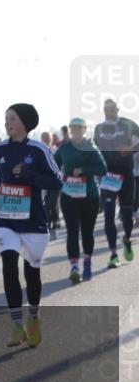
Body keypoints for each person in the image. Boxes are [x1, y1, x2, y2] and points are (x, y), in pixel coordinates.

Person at [0, 104, 63, 349]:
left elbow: (57, 181)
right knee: (9, 266)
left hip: (33, 221)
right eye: (6, 118)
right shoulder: (1, 148)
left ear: (25, 123)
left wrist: (29, 174)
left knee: (32, 273)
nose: (7, 123)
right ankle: (17, 324)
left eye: (12, 119)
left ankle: (33, 316)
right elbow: (2, 176)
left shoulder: (38, 149)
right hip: (7, 219)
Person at [55, 118, 107, 283]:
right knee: (72, 231)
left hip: (89, 196)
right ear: (70, 130)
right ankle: (74, 267)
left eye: (79, 128)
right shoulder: (64, 148)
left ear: (84, 130)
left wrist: (83, 170)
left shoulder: (91, 147)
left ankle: (87, 262)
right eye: (73, 128)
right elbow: (53, 165)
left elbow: (103, 169)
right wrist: (58, 176)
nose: (76, 131)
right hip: (69, 195)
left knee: (86, 232)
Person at [92, 98, 139, 265]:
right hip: (108, 176)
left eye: (112, 109)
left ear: (117, 110)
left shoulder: (128, 124)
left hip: (126, 175)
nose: (109, 113)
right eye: (106, 110)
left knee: (127, 215)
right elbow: (96, 150)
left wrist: (131, 149)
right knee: (109, 215)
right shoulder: (99, 128)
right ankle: (113, 255)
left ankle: (127, 239)